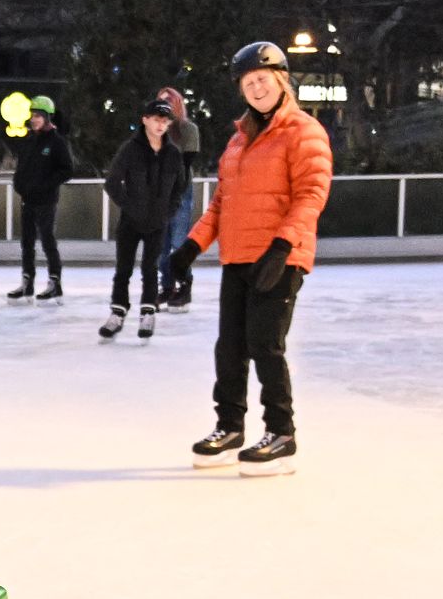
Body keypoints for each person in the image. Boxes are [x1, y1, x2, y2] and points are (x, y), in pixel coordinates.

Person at [169, 42, 334, 476]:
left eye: (263, 79)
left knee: (265, 344)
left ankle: (281, 433)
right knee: (230, 347)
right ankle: (230, 428)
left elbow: (311, 195)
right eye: (249, 82)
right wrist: (191, 246)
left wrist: (282, 248)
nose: (257, 88)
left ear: (282, 81)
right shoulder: (239, 139)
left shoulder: (304, 131)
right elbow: (222, 204)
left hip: (280, 257)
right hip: (238, 257)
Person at [99, 97, 190, 341]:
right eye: (157, 119)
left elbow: (180, 188)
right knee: (123, 269)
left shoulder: (172, 154)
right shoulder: (130, 149)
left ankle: (148, 312)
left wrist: (167, 212)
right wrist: (129, 206)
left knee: (150, 269)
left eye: (165, 120)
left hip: (157, 223)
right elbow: (111, 183)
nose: (161, 125)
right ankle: (117, 312)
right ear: (145, 120)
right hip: (130, 222)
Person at [6, 96, 76, 303]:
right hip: (28, 199)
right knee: (26, 242)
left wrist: (45, 185)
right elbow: (22, 168)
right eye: (32, 116)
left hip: (46, 200)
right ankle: (27, 282)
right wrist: (19, 184)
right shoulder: (29, 141)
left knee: (47, 240)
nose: (34, 119)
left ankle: (55, 283)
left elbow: (67, 170)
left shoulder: (56, 142)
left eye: (38, 116)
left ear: (47, 118)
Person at [155, 86, 202, 310]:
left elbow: (186, 162)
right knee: (160, 245)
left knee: (178, 241)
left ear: (177, 105)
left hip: (180, 192)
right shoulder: (154, 132)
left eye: (168, 102)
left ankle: (185, 285)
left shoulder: (187, 129)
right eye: (161, 102)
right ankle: (166, 286)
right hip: (158, 194)